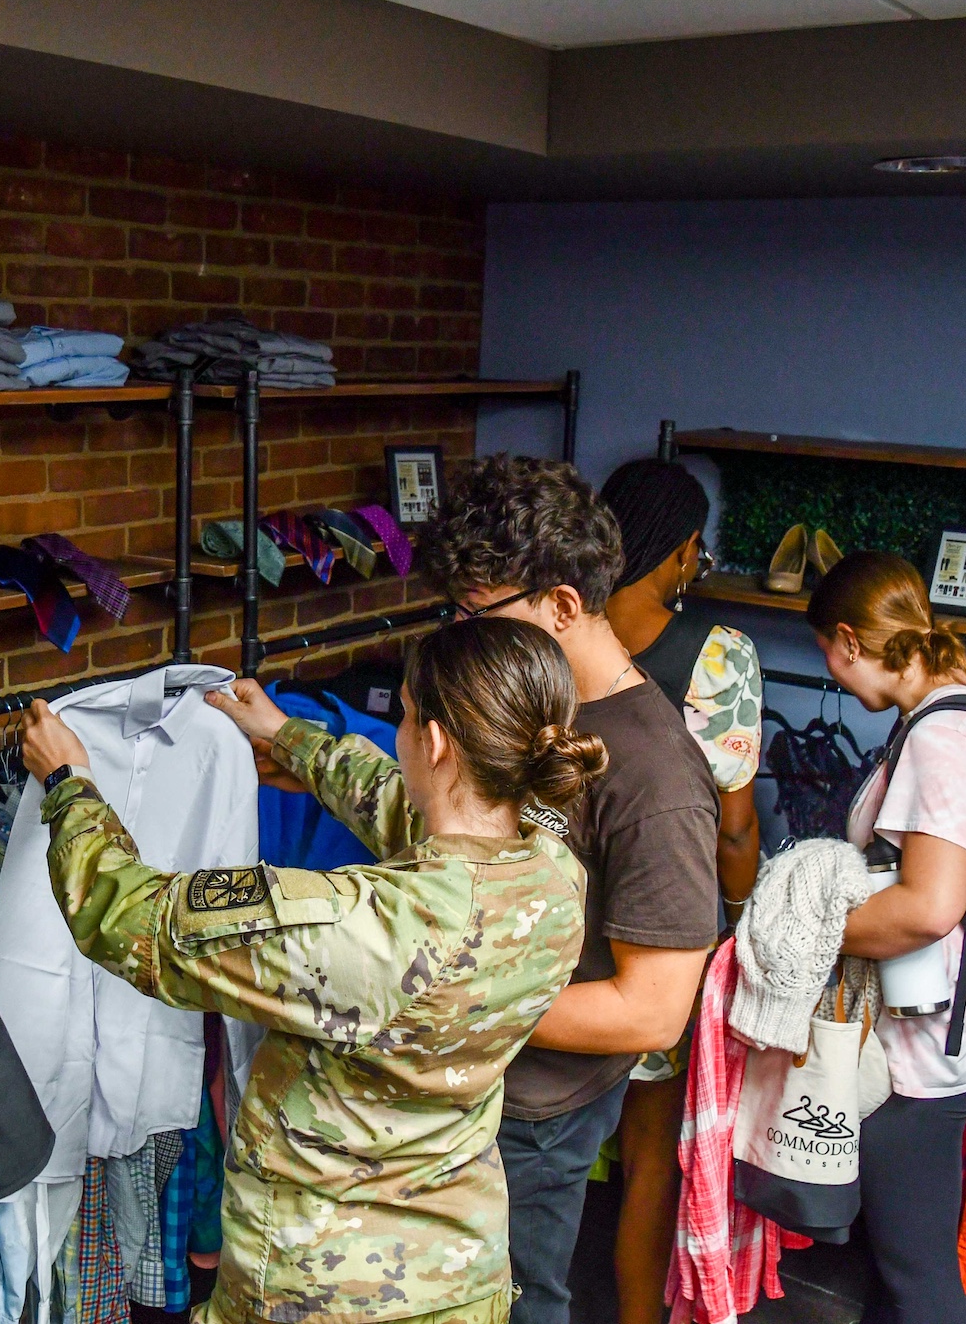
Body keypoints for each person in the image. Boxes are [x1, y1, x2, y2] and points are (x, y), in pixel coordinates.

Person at [19, 618, 608, 1324]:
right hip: (459, 1281)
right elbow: (415, 813)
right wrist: (288, 738)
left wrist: (69, 783)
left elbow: (127, 918)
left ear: (437, 741)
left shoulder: (360, 928)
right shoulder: (551, 874)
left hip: (319, 1295)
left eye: (410, 716)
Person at [420, 453, 721, 1324]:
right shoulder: (533, 705)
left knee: (518, 1304)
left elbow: (654, 1011)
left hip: (539, 1112)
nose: (461, 634)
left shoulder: (657, 775)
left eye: (478, 616)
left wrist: (445, 996)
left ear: (560, 606)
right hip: (481, 1079)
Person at [810, 552, 966, 1324]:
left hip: (927, 1053)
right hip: (945, 1034)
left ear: (847, 640)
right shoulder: (965, 712)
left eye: (828, 658)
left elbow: (931, 905)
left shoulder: (943, 737)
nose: (833, 676)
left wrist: (806, 932)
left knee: (918, 1278)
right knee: (896, 1269)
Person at [598, 456, 764, 1324]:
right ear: (681, 549)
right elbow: (734, 829)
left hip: (553, 924)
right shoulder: (718, 657)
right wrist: (736, 924)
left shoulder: (557, 633)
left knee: (527, 1142)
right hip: (663, 933)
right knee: (651, 1153)